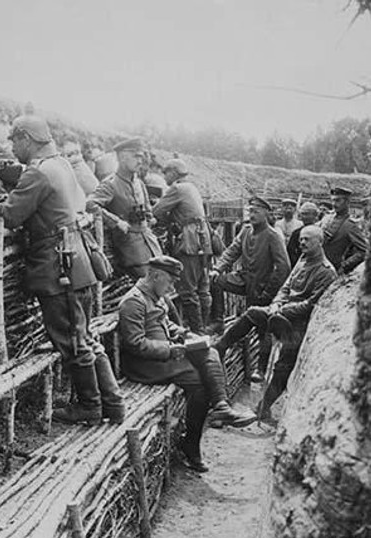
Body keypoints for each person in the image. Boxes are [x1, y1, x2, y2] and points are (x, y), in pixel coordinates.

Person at [0, 114, 124, 426]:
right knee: (84, 336)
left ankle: (90, 406)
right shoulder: (60, 164)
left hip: (59, 265)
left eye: (14, 139)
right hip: (77, 259)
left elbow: (9, 215)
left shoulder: (40, 173)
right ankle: (113, 404)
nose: (12, 146)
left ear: (25, 138)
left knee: (71, 340)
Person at [118, 256, 256, 473]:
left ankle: (220, 408)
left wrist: (184, 334)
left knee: (206, 352)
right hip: (145, 365)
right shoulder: (133, 302)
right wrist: (169, 350)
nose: (172, 287)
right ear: (155, 276)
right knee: (200, 383)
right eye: (170, 281)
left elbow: (165, 324)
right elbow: (134, 344)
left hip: (164, 356)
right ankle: (196, 439)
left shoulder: (154, 295)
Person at [213, 225, 336, 423]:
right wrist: (276, 304)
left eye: (307, 240)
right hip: (279, 312)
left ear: (320, 243)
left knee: (282, 367)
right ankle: (221, 345)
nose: (302, 243)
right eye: (301, 239)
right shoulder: (302, 261)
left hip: (299, 326)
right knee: (253, 313)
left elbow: (311, 305)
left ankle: (264, 407)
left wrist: (283, 310)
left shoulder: (327, 272)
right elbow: (285, 287)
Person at [208, 196, 291, 381]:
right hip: (245, 280)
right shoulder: (246, 231)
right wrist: (217, 269)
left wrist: (269, 292)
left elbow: (284, 268)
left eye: (256, 212)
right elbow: (231, 251)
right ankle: (218, 320)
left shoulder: (273, 236)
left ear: (266, 214)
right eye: (250, 211)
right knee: (216, 281)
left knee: (264, 329)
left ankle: (260, 369)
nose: (251, 215)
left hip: (263, 287)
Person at [86, 137, 162, 279]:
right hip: (131, 250)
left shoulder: (139, 183)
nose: (140, 161)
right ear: (122, 157)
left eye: (141, 157)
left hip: (150, 243)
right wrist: (116, 222)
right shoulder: (110, 184)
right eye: (135, 156)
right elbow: (90, 204)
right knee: (151, 285)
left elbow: (147, 211)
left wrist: (150, 218)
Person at [151, 158, 212, 333]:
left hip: (190, 240)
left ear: (174, 173)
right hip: (202, 239)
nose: (164, 176)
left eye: (166, 172)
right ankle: (205, 328)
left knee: (188, 290)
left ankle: (197, 332)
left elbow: (157, 211)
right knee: (202, 287)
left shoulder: (176, 188)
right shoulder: (191, 187)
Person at [320, 187, 367, 274]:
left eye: (338, 201)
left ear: (347, 202)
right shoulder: (327, 218)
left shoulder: (351, 225)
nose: (334, 204)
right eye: (332, 200)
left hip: (332, 271)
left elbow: (364, 251)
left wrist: (344, 265)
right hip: (317, 267)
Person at [287, 201, 319, 268]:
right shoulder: (296, 233)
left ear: (315, 215)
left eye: (307, 214)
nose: (304, 217)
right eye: (303, 214)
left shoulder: (320, 232)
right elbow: (290, 251)